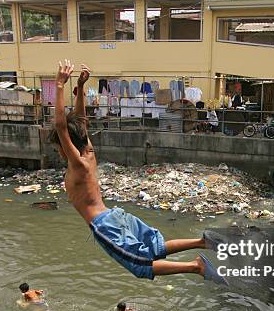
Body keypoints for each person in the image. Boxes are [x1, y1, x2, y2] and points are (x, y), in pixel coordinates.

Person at [48, 59, 227, 285]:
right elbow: (81, 122)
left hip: (105, 225)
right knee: (155, 248)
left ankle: (196, 267)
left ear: (67, 147)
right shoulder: (89, 155)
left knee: (140, 266)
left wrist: (60, 85)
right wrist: (81, 88)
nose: (59, 151)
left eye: (59, 148)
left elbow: (62, 127)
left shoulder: (78, 165)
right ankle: (204, 242)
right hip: (115, 215)